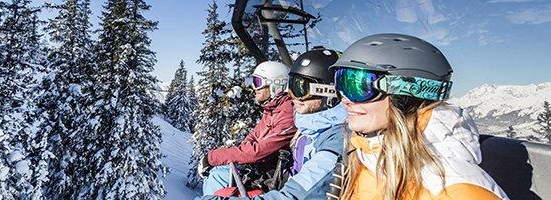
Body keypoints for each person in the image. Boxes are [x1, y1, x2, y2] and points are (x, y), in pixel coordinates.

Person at [330, 33, 508, 199]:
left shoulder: (457, 189)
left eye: (358, 87)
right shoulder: (363, 157)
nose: (344, 99)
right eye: (341, 83)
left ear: (405, 93)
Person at [254, 47, 348, 199]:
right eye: (290, 87)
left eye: (299, 88)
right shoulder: (309, 130)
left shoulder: (338, 138)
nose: (292, 97)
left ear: (329, 93)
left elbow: (295, 196)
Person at [198, 61, 298, 196]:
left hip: (271, 177)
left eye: (258, 82)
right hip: (261, 168)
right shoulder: (272, 110)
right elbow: (253, 137)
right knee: (216, 174)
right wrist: (243, 154)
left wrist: (211, 157)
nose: (253, 87)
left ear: (276, 84)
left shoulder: (287, 114)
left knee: (217, 177)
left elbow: (256, 151)